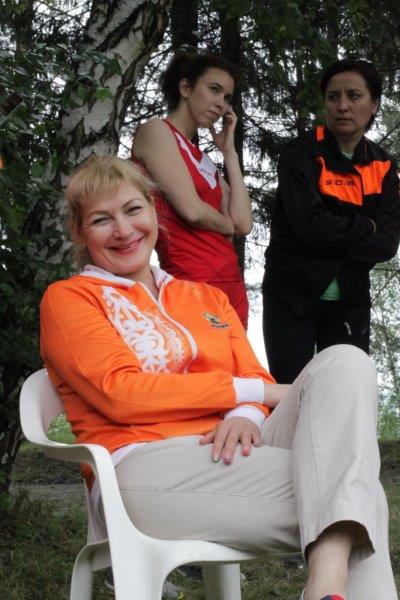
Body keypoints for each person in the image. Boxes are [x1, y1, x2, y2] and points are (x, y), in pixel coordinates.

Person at [40, 155, 398, 600]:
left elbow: (250, 371)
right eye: (101, 219)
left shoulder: (203, 296)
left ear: (154, 210)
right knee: (358, 489)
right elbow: (121, 393)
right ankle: (327, 584)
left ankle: (325, 585)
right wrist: (252, 392)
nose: (123, 229)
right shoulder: (70, 299)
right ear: (79, 233)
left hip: (235, 450)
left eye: (133, 210)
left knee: (346, 360)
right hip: (142, 466)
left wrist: (246, 412)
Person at [263, 59, 400, 384]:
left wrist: (329, 236)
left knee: (344, 394)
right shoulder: (299, 152)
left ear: (374, 104)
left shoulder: (383, 165)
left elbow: (387, 243)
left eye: (354, 95)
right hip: (291, 296)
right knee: (289, 396)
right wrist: (366, 226)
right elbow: (308, 226)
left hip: (350, 303)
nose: (342, 106)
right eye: (333, 96)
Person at [131, 51, 252, 329]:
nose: (221, 104)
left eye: (227, 97)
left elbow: (243, 223)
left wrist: (229, 153)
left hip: (231, 283)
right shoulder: (156, 131)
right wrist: (226, 225)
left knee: (236, 358)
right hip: (191, 279)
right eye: (214, 90)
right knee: (202, 354)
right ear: (185, 88)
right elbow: (192, 210)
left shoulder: (204, 159)